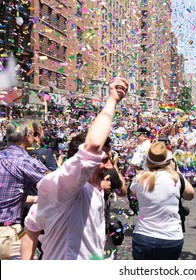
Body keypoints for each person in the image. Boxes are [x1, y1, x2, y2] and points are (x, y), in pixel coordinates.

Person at [25, 77, 129, 260]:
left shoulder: (91, 188)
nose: (110, 167)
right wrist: (112, 99)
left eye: (110, 159)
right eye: (103, 160)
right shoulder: (66, 186)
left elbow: (32, 226)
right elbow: (93, 146)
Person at [129, 141, 194, 260]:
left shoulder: (139, 178)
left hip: (144, 235)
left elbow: (133, 194)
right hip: (171, 237)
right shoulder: (175, 178)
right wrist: (177, 170)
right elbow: (190, 195)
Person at [0, 118, 49, 260]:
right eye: (33, 134)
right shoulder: (25, 161)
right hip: (9, 233)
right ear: (27, 136)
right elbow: (55, 183)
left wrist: (34, 199)